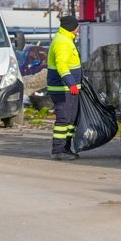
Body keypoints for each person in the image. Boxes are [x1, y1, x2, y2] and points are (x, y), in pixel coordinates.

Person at [47, 15, 82, 161]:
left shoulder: (66, 39)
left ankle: (66, 148)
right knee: (63, 120)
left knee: (71, 119)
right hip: (62, 89)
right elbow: (61, 65)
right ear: (71, 27)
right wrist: (70, 83)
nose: (78, 29)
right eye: (77, 26)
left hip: (70, 89)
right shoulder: (62, 42)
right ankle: (58, 150)